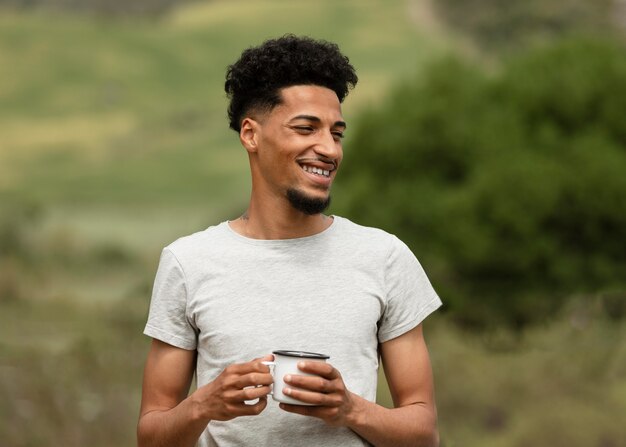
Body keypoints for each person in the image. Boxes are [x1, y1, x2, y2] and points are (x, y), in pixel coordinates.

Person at [137, 35, 442, 447]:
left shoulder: (384, 256)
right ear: (251, 134)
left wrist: (349, 409)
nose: (328, 149)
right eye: (306, 128)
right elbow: (150, 436)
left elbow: (424, 434)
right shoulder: (188, 262)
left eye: (337, 133)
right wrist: (204, 404)